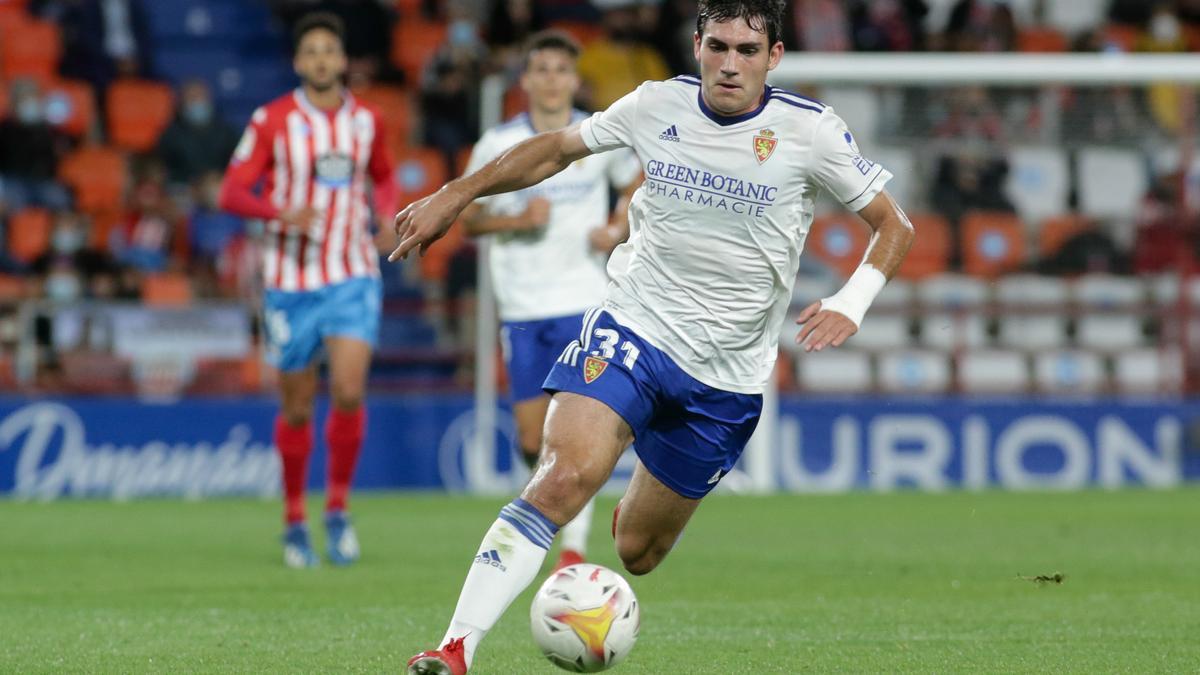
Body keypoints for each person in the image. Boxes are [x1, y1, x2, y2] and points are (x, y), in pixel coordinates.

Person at [394, 0, 914, 671]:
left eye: (748, 52)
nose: (730, 64)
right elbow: (555, 148)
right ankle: (455, 647)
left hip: (724, 377)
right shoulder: (654, 105)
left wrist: (853, 299)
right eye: (718, 46)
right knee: (563, 476)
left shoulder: (809, 132)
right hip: (633, 326)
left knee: (639, 552)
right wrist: (457, 193)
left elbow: (893, 224)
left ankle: (636, 471)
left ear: (774, 58)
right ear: (697, 44)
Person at [218, 12, 398, 569]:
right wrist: (278, 212)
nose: (321, 60)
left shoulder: (369, 120)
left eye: (330, 51)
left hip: (352, 273)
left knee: (348, 391)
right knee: (296, 406)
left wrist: (387, 214)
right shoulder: (271, 120)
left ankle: (338, 509)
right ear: (298, 63)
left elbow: (385, 175)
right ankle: (294, 518)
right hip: (291, 283)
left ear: (342, 60)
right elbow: (231, 191)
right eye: (311, 52)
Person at [462, 29, 643, 573]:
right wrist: (517, 220)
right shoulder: (498, 144)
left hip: (583, 303)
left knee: (576, 431)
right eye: (540, 69)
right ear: (525, 80)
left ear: (574, 79)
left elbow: (640, 179)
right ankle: (555, 522)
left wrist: (615, 225)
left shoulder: (592, 136)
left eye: (560, 70)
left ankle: (571, 550)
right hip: (520, 307)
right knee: (528, 438)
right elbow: (467, 217)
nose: (550, 79)